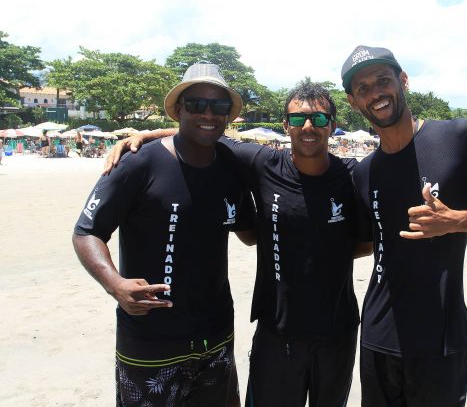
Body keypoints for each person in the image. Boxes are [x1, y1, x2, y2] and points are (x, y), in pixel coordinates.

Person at [106, 80, 373, 407]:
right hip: (277, 331)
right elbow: (206, 132)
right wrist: (149, 135)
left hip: (338, 331)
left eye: (319, 119)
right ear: (285, 124)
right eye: (298, 118)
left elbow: (365, 242)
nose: (308, 127)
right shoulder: (264, 165)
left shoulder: (352, 175)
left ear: (332, 125)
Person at [340, 45, 467, 406]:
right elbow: (367, 243)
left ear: (403, 81)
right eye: (363, 88)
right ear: (353, 102)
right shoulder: (364, 171)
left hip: (442, 340)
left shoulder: (460, 138)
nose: (376, 93)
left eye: (383, 81)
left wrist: (456, 221)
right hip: (378, 337)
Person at [73, 62, 256, 407]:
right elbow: (86, 231)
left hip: (215, 338)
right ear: (179, 109)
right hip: (149, 342)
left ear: (228, 115)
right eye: (196, 104)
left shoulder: (232, 168)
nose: (208, 113)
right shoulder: (138, 163)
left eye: (218, 106)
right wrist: (115, 284)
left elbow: (249, 233)